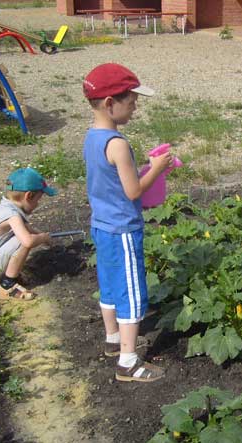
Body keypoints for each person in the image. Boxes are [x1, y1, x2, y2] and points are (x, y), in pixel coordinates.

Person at [83, 62, 173, 383]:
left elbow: (111, 182)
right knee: (133, 294)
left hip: (101, 225)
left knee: (108, 286)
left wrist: (144, 169)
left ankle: (112, 339)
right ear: (110, 103)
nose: (135, 107)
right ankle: (128, 362)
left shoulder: (92, 137)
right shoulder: (118, 144)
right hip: (123, 229)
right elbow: (133, 190)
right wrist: (157, 169)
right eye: (131, 101)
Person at [0, 167, 56, 300]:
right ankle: (7, 286)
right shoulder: (11, 215)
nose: (37, 204)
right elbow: (28, 241)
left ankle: (9, 275)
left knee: (24, 236)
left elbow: (27, 228)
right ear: (29, 196)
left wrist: (44, 236)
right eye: (38, 200)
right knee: (24, 240)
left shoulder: (6, 207)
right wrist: (42, 237)